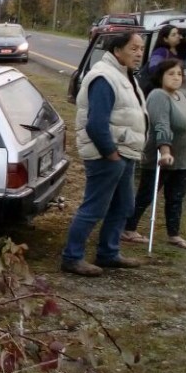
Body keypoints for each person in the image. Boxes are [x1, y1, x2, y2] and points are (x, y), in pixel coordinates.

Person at [60, 31, 148, 276]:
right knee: (94, 208)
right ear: (117, 50)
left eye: (141, 48)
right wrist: (111, 154)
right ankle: (72, 257)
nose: (139, 53)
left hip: (124, 153)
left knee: (123, 206)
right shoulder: (104, 77)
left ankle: (108, 253)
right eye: (134, 48)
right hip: (107, 155)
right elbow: (96, 124)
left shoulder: (125, 75)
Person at [121, 59, 186, 248]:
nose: (176, 78)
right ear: (161, 76)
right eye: (171, 73)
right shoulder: (158, 96)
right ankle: (128, 228)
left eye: (179, 74)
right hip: (162, 157)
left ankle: (174, 234)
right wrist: (165, 150)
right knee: (146, 194)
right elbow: (161, 124)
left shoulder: (181, 96)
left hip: (184, 158)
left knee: (176, 197)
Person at [142, 25, 183, 93]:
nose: (177, 36)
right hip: (160, 89)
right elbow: (153, 68)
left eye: (178, 33)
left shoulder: (181, 50)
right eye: (173, 35)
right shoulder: (161, 52)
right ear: (165, 39)